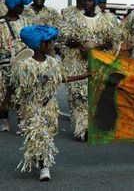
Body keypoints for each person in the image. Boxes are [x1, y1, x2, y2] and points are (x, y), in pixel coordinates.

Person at [12, 25, 91, 181]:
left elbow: (63, 78)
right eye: (46, 42)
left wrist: (85, 75)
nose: (50, 45)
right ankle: (44, 167)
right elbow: (16, 87)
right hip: (33, 108)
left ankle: (40, 158)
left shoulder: (53, 62)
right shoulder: (25, 65)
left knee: (45, 136)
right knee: (39, 135)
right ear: (36, 44)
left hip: (49, 107)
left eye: (51, 42)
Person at [59, 0, 116, 141]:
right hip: (78, 63)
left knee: (95, 95)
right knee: (78, 95)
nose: (86, 3)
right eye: (85, 0)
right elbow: (66, 39)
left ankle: (94, 126)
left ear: (96, 2)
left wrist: (96, 46)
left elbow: (111, 42)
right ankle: (81, 128)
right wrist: (80, 44)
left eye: (90, 0)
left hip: (98, 63)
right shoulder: (73, 18)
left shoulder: (107, 20)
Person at [0, 0, 32, 132]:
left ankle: (21, 122)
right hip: (4, 64)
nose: (22, 8)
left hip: (23, 62)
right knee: (3, 94)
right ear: (12, 7)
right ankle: (4, 120)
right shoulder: (1, 24)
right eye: (20, 6)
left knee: (22, 92)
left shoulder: (25, 22)